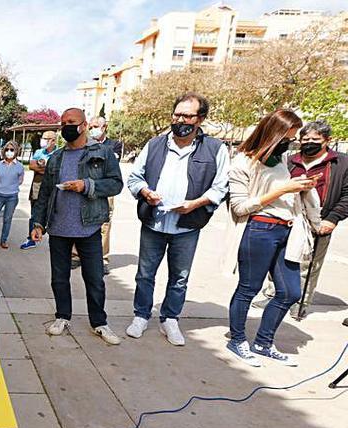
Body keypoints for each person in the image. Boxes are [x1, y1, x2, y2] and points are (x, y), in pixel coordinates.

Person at [125, 92, 230, 346]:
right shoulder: (155, 144)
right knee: (145, 273)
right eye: (177, 114)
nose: (180, 119)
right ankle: (141, 315)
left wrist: (196, 204)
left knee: (180, 277)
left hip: (187, 225)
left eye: (187, 115)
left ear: (200, 118)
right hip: (154, 221)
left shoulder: (215, 149)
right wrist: (145, 192)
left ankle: (170, 318)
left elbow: (221, 187)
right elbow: (134, 178)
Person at [226, 109, 321, 367]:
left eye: (292, 138)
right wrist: (283, 188)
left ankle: (263, 342)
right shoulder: (243, 162)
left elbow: (285, 195)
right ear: (273, 134)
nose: (290, 143)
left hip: (286, 230)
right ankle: (237, 339)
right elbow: (240, 207)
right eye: (287, 137)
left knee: (290, 292)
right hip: (259, 230)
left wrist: (301, 187)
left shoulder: (280, 162)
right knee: (249, 288)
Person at [30, 108, 124, 345]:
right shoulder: (57, 157)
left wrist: (87, 185)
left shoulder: (103, 153)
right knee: (59, 278)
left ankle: (99, 322)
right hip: (59, 228)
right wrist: (38, 223)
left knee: (94, 279)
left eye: (71, 122)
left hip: (89, 227)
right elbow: (46, 194)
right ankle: (62, 316)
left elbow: (115, 184)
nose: (66, 127)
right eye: (63, 123)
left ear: (83, 125)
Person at [253, 120, 348, 320]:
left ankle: (301, 302)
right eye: (305, 139)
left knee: (309, 263)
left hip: (320, 218)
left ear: (327, 140)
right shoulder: (289, 160)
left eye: (315, 139)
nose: (309, 143)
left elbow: (347, 195)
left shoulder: (340, 163)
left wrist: (333, 219)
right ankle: (273, 294)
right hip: (289, 216)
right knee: (280, 258)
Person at [84, 116, 124, 274]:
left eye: (96, 126)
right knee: (81, 217)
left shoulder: (113, 145)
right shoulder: (86, 143)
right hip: (86, 186)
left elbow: (109, 166)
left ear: (104, 127)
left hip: (106, 188)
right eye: (91, 126)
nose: (93, 128)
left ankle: (102, 258)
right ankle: (76, 255)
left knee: (104, 223)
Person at [21, 130, 58, 250]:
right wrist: (47, 168)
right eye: (43, 138)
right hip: (37, 185)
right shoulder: (38, 152)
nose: (43, 141)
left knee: (54, 212)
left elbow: (57, 170)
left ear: (53, 140)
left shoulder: (59, 153)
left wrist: (42, 167)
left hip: (53, 187)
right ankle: (31, 238)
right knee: (35, 213)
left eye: (46, 139)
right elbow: (31, 165)